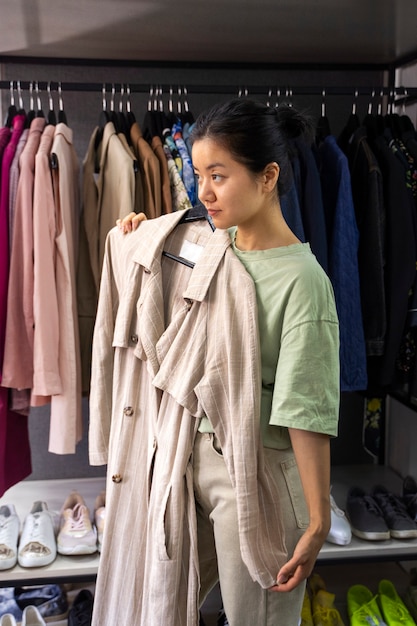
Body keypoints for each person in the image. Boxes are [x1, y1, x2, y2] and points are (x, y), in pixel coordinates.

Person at [92, 98, 340, 626]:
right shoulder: (206, 246)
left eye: (219, 176)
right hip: (187, 457)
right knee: (163, 605)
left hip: (260, 474)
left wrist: (318, 519)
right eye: (199, 173)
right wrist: (140, 237)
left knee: (260, 619)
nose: (203, 192)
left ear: (268, 176)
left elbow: (305, 407)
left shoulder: (302, 281)